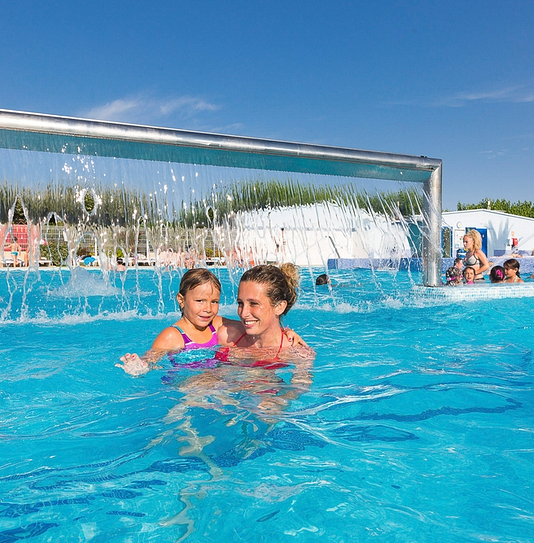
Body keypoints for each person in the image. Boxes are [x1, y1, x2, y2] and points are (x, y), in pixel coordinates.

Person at [116, 267, 307, 376]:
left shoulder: (216, 325)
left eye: (214, 302)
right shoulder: (176, 335)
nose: (207, 309)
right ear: (181, 300)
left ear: (279, 306)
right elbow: (152, 358)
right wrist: (140, 364)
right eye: (240, 303)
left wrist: (287, 332)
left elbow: (258, 325)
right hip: (186, 389)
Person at [216, 263, 314, 365]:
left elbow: (301, 381)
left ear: (279, 307)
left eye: (254, 303)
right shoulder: (227, 336)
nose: (243, 313)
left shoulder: (298, 354)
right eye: (240, 303)